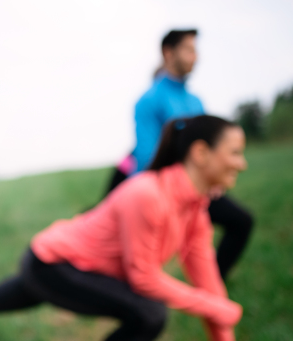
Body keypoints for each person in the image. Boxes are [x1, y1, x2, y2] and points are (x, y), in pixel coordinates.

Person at [0, 115, 246, 341]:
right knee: (149, 314)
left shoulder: (196, 207)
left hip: (69, 268)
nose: (241, 163)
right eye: (234, 152)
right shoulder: (146, 195)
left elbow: (211, 287)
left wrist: (217, 312)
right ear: (201, 153)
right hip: (52, 263)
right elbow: (143, 278)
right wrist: (213, 307)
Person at [104, 29, 253, 279]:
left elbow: (210, 149)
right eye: (189, 50)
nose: (196, 57)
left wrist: (212, 179)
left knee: (241, 222)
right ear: (168, 52)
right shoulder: (149, 100)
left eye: (196, 50)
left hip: (198, 187)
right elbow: (148, 158)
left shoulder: (196, 101)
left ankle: (213, 283)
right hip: (165, 189)